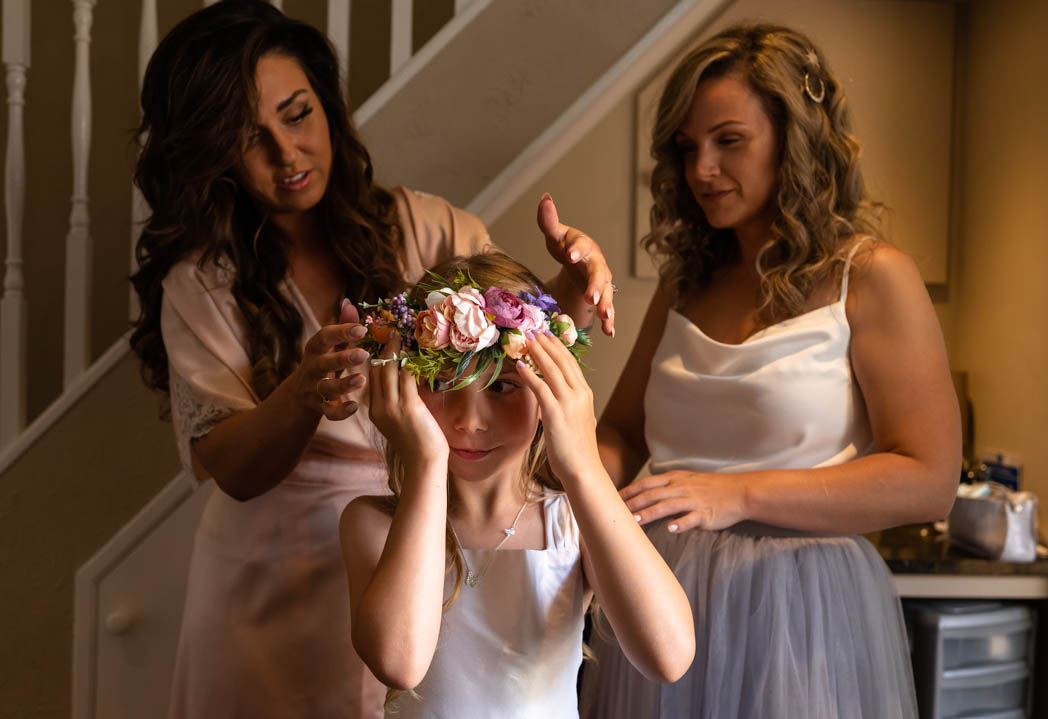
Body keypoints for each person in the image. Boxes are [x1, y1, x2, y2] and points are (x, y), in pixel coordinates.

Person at [128, 2, 616, 717]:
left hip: (423, 543)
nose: (287, 154)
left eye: (297, 115)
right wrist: (300, 394)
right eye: (249, 139)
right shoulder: (202, 280)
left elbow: (510, 359)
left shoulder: (430, 228)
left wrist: (568, 294)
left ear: (326, 103)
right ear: (212, 155)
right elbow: (230, 467)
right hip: (272, 580)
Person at [580, 23, 960, 719]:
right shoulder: (685, 281)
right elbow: (624, 431)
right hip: (665, 589)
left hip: (800, 607)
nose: (702, 170)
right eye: (688, 147)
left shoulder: (873, 278)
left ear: (795, 139)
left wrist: (738, 494)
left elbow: (930, 480)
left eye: (729, 140)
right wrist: (569, 500)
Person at [340, 252, 695, 718]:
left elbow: (668, 658)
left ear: (548, 389)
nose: (469, 421)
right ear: (407, 385)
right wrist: (426, 461)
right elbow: (400, 664)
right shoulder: (372, 524)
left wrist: (584, 466)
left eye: (502, 387)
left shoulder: (573, 521)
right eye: (443, 383)